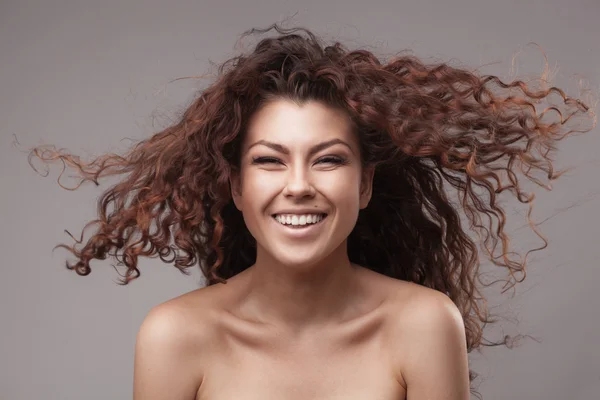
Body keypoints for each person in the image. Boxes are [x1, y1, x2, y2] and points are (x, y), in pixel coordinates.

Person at [29, 25, 595, 400]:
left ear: (365, 184)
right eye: (270, 161)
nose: (298, 187)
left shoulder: (423, 325)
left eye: (327, 160)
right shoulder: (176, 335)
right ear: (236, 186)